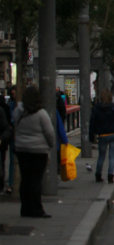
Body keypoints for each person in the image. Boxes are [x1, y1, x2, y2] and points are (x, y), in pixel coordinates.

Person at [13, 86, 54, 218]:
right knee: (36, 180)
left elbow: (15, 126)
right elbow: (49, 132)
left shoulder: (18, 112)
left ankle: (25, 209)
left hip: (21, 149)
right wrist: (50, 146)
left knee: (25, 179)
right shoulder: (41, 113)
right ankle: (37, 209)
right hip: (38, 150)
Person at [89, 89, 114, 184]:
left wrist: (92, 136)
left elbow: (92, 123)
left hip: (102, 135)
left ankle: (98, 175)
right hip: (113, 135)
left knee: (101, 156)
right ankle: (110, 176)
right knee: (112, 157)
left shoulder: (96, 108)